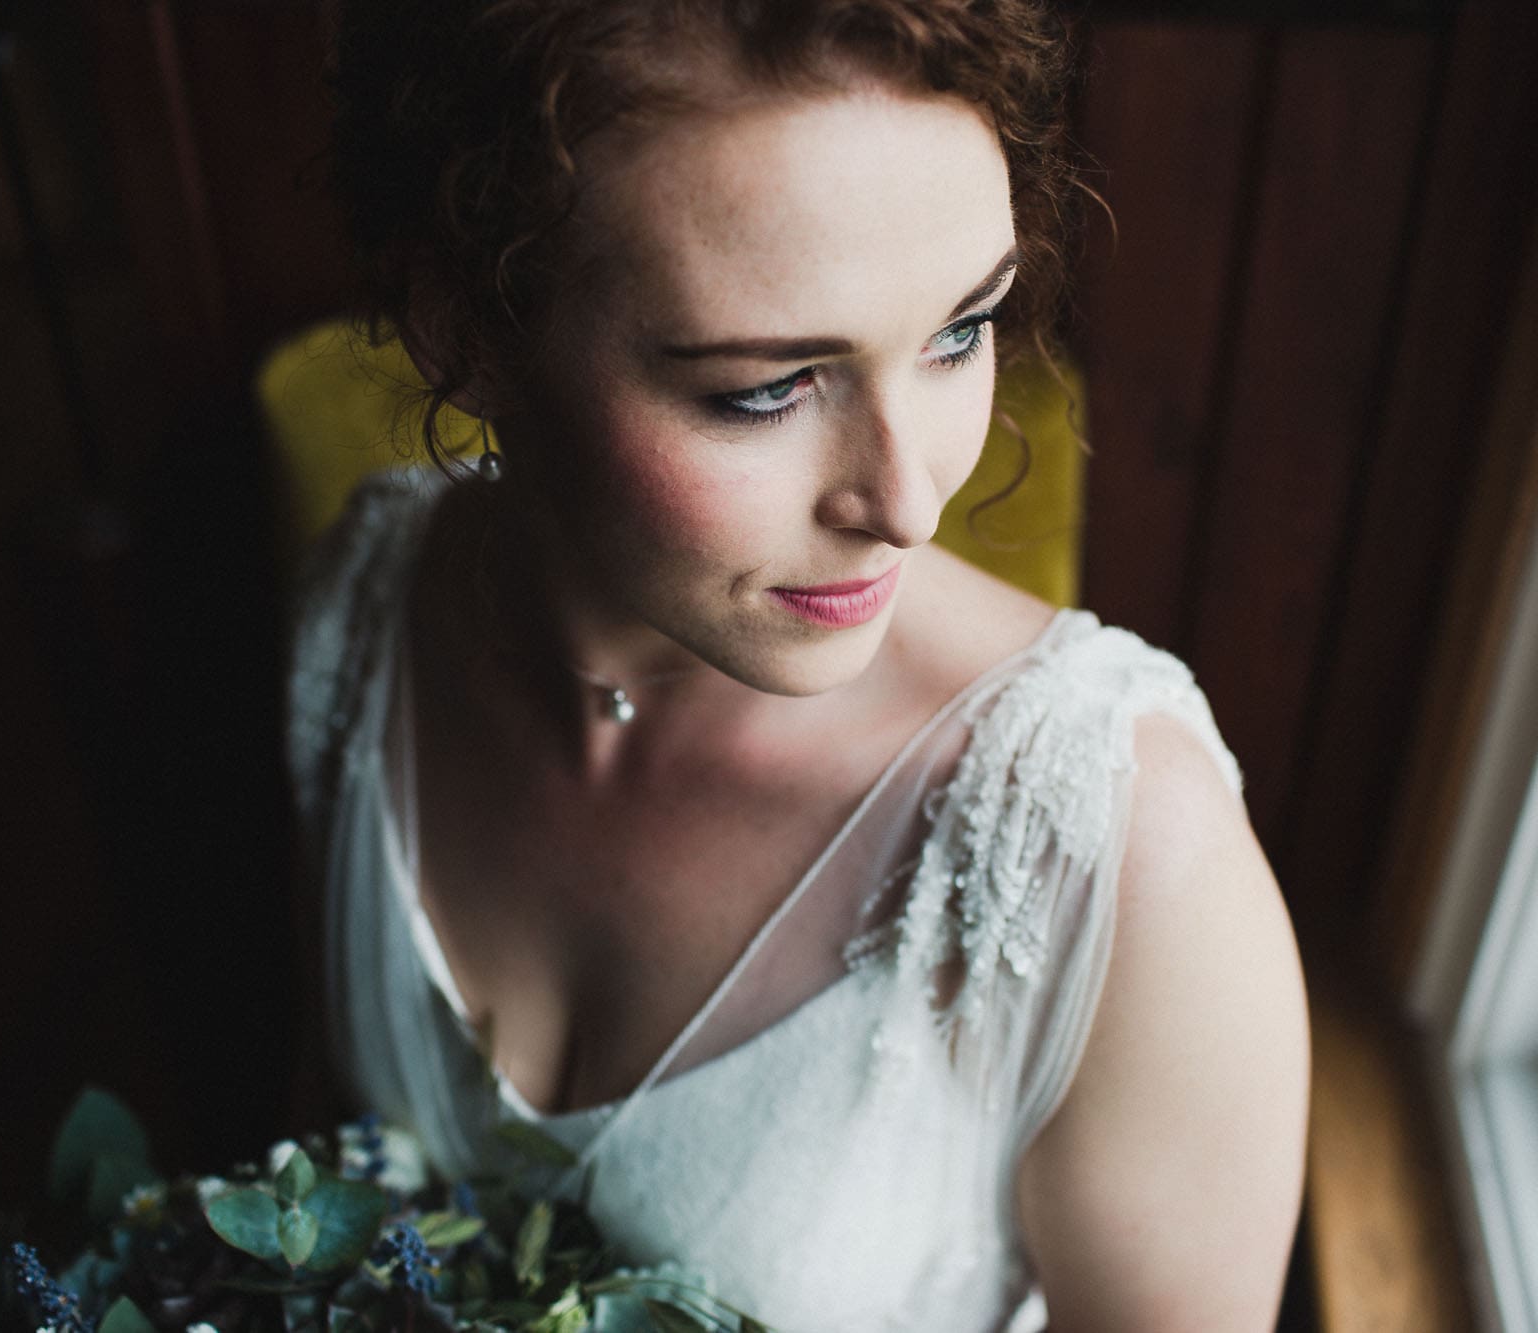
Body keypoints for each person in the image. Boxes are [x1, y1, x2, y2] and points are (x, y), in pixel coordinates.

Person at [286, 1, 1310, 1329]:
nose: (908, 501)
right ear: (461, 330)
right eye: (767, 389)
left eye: (962, 329)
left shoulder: (1124, 858)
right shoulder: (365, 614)